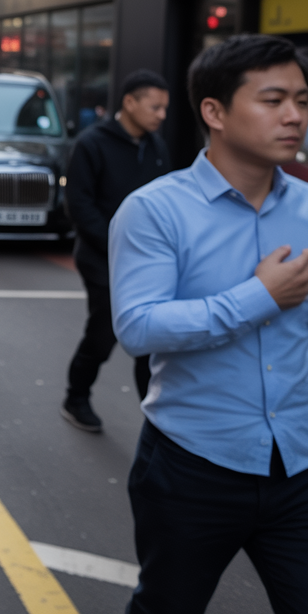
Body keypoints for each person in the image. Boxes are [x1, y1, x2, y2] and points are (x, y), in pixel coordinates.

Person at [110, 34, 308, 613]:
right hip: (191, 466)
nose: (294, 116)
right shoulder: (156, 210)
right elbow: (139, 327)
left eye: (302, 99)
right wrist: (259, 296)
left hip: (297, 465)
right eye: (273, 100)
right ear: (214, 112)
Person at [60, 70, 171, 432]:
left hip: (148, 263)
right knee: (103, 333)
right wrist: (120, 243)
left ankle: (154, 415)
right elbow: (79, 205)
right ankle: (75, 398)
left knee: (151, 340)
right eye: (155, 107)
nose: (161, 115)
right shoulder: (91, 144)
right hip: (101, 258)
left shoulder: (156, 146)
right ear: (129, 103)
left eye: (164, 108)